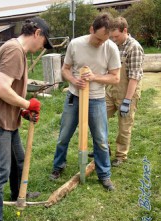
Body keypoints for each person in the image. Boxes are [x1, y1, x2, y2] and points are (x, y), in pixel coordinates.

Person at [0, 17, 53, 221]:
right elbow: (1, 88)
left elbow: (9, 89)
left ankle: (19, 193)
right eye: (44, 42)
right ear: (37, 33)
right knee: (0, 171)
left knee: (18, 160)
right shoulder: (14, 51)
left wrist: (21, 110)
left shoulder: (17, 51)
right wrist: (28, 104)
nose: (42, 47)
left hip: (7, 118)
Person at [50, 13, 121, 191]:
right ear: (91, 29)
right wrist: (74, 81)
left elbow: (116, 78)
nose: (101, 43)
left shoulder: (110, 47)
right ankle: (58, 167)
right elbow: (65, 70)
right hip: (74, 97)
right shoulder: (75, 44)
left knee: (101, 139)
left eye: (105, 39)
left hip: (96, 99)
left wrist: (94, 77)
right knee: (64, 136)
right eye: (98, 39)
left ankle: (104, 175)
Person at [106, 16, 144, 167]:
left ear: (125, 31)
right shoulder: (114, 45)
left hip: (128, 91)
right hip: (111, 91)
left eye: (116, 36)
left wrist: (127, 100)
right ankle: (104, 148)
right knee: (98, 118)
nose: (114, 39)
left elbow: (134, 77)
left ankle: (121, 156)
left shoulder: (134, 47)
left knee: (124, 126)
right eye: (112, 36)